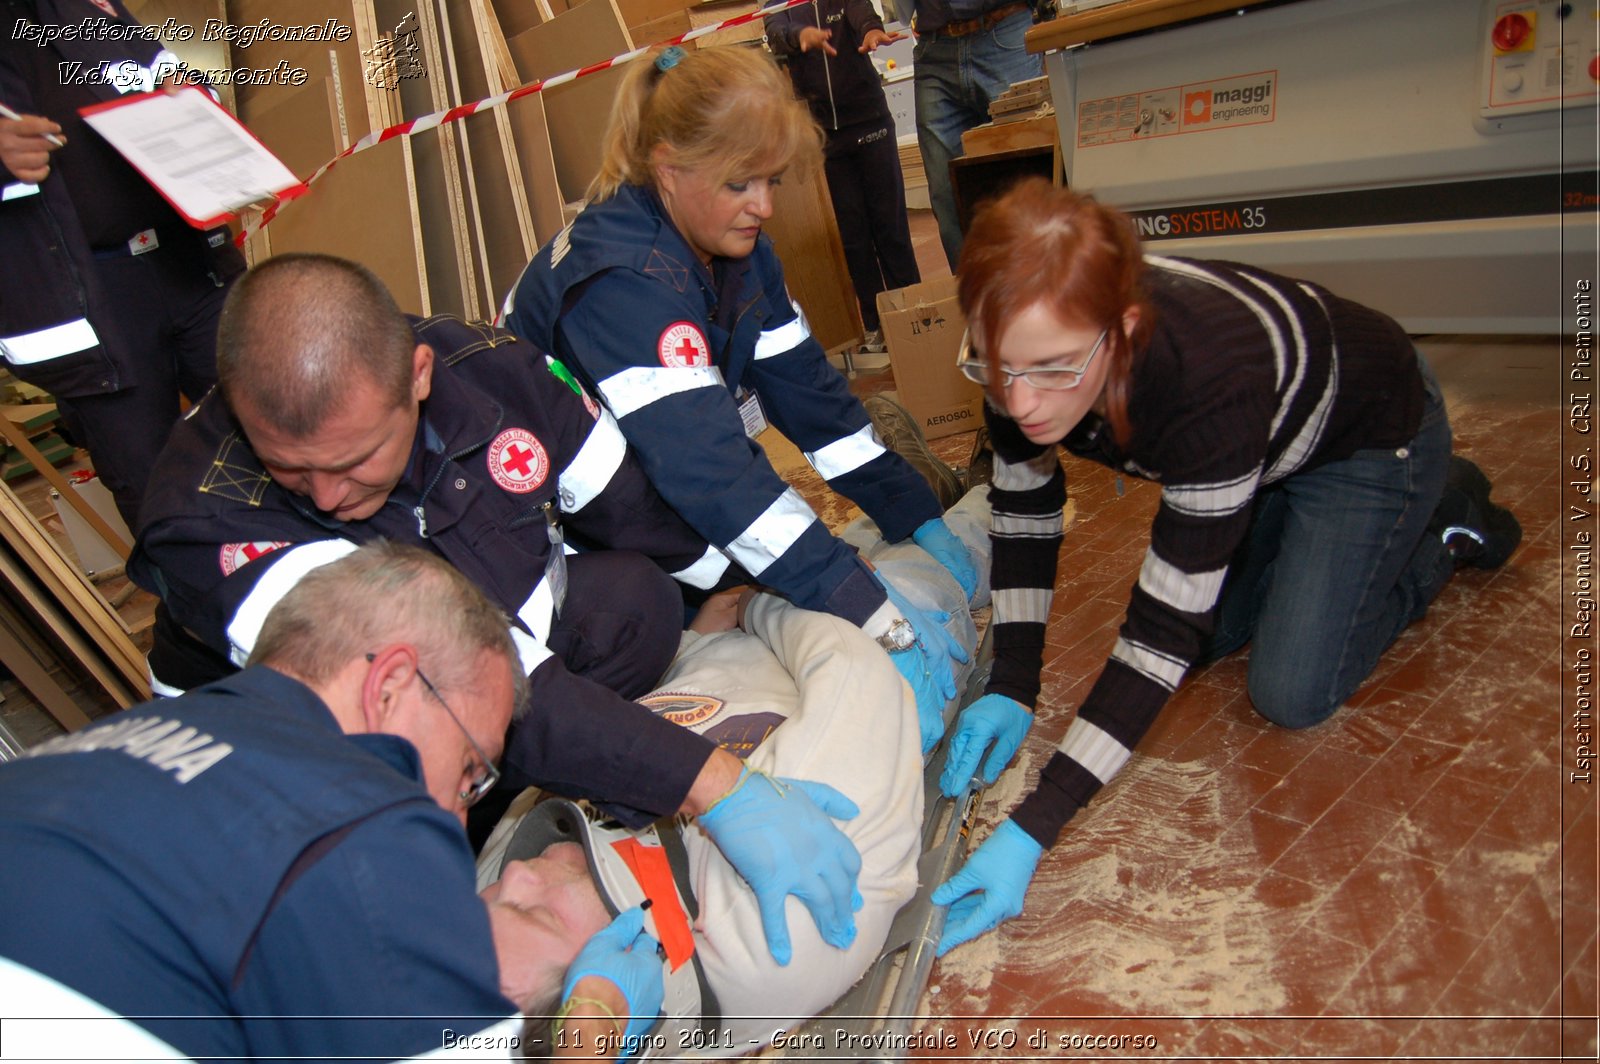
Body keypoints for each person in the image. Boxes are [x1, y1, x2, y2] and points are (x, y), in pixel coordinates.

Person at [129, 253, 864, 968]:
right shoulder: (204, 517)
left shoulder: (493, 371)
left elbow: (632, 508)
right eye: (291, 470)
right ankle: (455, 843)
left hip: (468, 647)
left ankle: (513, 781)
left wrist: (764, 592)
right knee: (362, 912)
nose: (325, 498)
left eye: (355, 461)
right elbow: (436, 684)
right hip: (310, 758)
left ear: (417, 377)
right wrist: (717, 787)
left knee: (638, 605)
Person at [929, 179, 1523, 954]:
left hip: (1373, 440)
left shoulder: (1205, 383)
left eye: (1053, 369)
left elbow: (1158, 635)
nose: (1024, 402)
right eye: (998, 367)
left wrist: (1034, 828)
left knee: (1291, 689)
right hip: (1268, 448)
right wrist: (1012, 681)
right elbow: (1025, 512)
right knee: (1211, 638)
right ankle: (1296, 536)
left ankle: (1442, 514)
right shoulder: (1024, 352)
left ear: (1125, 330)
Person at [0, 542, 659, 1061]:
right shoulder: (360, 824)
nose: (456, 818)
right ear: (392, 685)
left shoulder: (88, 751)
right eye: (468, 770)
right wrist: (593, 1019)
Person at [502, 45, 976, 752]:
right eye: (740, 185)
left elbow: (810, 393)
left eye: (771, 180)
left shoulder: (734, 242)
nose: (765, 205)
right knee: (668, 606)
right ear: (668, 168)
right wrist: (860, 605)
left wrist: (915, 514)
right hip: (564, 531)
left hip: (662, 463)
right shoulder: (623, 284)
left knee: (783, 554)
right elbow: (707, 473)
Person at [477, 490, 991, 1058]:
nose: (517, 877)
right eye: (536, 912)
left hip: (731, 642)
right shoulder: (773, 932)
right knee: (930, 561)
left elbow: (623, 721)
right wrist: (761, 605)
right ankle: (982, 491)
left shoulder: (506, 874)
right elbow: (855, 665)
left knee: (837, 533)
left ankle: (906, 488)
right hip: (858, 642)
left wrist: (694, 644)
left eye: (486, 905)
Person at [0, 0, 246, 529]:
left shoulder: (103, 12)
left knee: (274, 424)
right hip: (91, 297)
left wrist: (196, 103)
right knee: (157, 486)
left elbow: (164, 80)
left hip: (190, 263)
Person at [765, 0, 920, 356]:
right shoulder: (780, 4)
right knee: (854, 236)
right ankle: (874, 324)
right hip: (826, 134)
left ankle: (913, 310)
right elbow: (774, 31)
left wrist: (871, 31)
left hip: (870, 120)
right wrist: (798, 34)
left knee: (890, 226)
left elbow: (863, 15)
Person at [903, 0, 1043, 271]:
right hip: (935, 47)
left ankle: (1043, 298)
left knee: (1027, 182)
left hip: (1004, 31)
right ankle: (977, 303)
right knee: (947, 195)